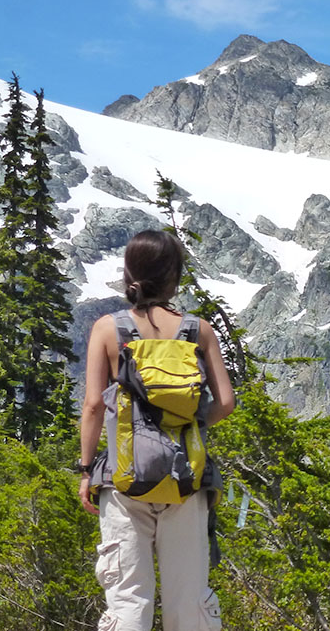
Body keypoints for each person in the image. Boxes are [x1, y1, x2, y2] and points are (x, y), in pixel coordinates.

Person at [77, 230, 235, 631]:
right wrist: (190, 424)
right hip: (186, 479)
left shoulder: (108, 329)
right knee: (189, 604)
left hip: (125, 476)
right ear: (174, 277)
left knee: (129, 600)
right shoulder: (198, 331)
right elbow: (227, 403)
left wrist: (85, 470)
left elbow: (94, 405)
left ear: (129, 273)